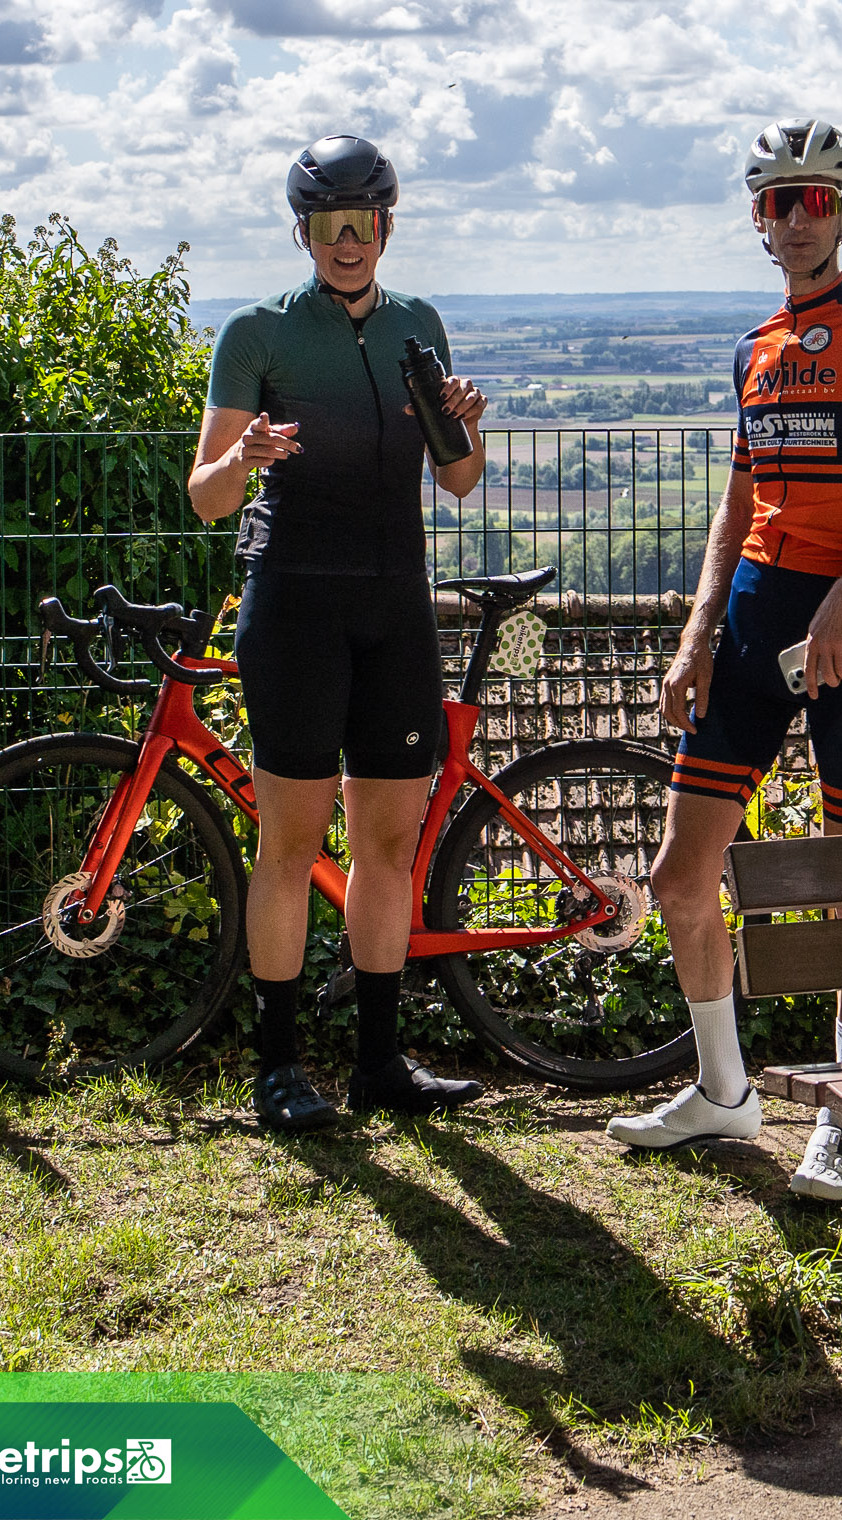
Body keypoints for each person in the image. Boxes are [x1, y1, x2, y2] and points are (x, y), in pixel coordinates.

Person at [608, 121, 842, 1198]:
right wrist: (694, 634)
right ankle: (724, 1090)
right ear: (759, 219)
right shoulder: (754, 349)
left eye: (818, 198)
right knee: (682, 874)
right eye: (780, 201)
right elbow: (736, 514)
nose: (799, 216)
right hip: (752, 624)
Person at [189, 134, 489, 1133]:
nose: (347, 240)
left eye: (363, 221)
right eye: (328, 224)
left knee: (389, 842)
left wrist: (465, 426)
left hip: (395, 605)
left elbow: (457, 480)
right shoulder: (259, 334)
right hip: (296, 607)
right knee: (290, 842)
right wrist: (247, 450)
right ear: (304, 231)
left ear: (388, 226)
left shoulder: (418, 323)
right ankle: (277, 1067)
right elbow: (204, 497)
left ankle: (377, 1064)